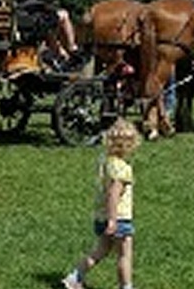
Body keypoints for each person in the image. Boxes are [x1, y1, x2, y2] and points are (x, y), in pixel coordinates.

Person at [62, 119, 141, 289]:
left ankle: (74, 277)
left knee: (100, 251)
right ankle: (126, 286)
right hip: (118, 218)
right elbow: (113, 195)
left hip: (102, 215)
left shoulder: (106, 162)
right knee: (124, 255)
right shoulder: (123, 169)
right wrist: (113, 220)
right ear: (130, 145)